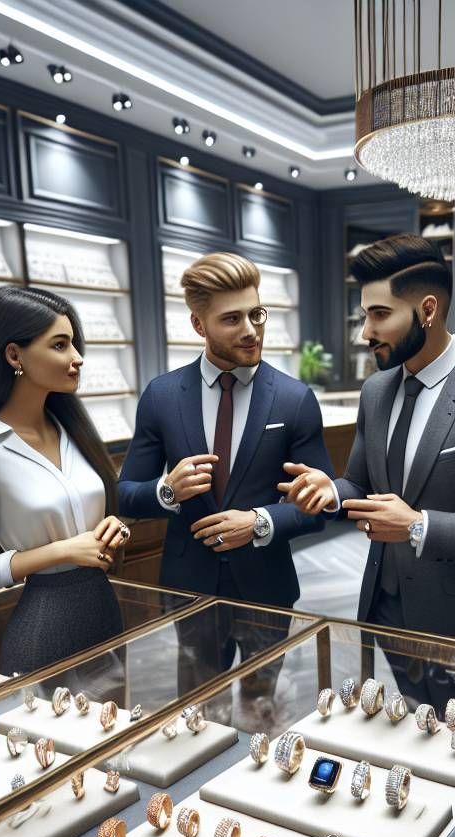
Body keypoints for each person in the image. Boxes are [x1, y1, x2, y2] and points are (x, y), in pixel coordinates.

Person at [280, 234, 455, 730]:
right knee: (408, 729)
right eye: (364, 314)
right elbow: (360, 483)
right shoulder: (376, 391)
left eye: (380, 314)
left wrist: (420, 526)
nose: (365, 331)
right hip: (384, 609)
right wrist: (331, 492)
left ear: (427, 309)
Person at [116, 253, 334, 699]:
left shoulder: (295, 400)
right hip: (188, 584)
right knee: (198, 708)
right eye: (232, 319)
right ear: (199, 325)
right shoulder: (160, 396)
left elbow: (322, 505)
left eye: (256, 314)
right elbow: (125, 496)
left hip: (266, 586)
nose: (251, 330)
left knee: (262, 708)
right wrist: (166, 491)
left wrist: (259, 522)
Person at [0, 286, 132, 675]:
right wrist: (60, 551)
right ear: (15, 355)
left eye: (74, 344)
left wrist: (112, 529)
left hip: (104, 609)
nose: (78, 358)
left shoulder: (74, 432)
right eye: (60, 345)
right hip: (44, 625)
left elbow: (91, 530)